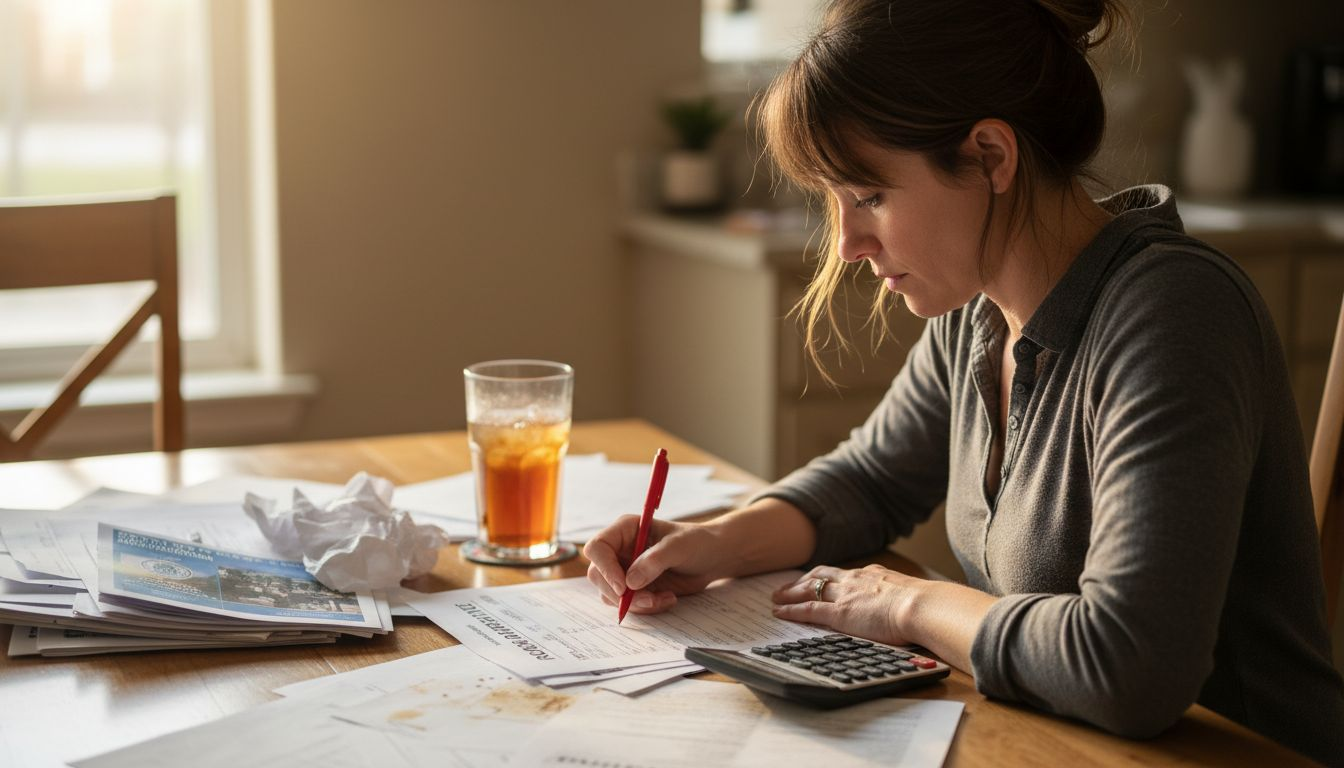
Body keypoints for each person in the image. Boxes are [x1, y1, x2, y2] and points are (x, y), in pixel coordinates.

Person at [585, 0, 1344, 763]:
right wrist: (715, 544)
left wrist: (909, 602)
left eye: (870, 197)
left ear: (989, 156)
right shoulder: (978, 308)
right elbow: (873, 480)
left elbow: (1131, 664)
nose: (847, 244)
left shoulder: (1174, 314)